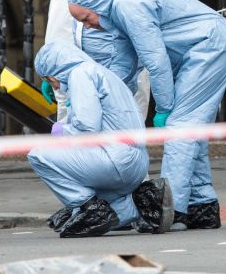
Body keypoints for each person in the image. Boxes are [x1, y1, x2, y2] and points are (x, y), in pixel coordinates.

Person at [68, 0, 226, 231]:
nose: (88, 26)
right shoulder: (116, 13)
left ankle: (169, 210)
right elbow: (123, 65)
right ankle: (201, 206)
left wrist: (163, 108)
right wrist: (86, 91)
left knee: (180, 127)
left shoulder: (128, 7)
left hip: (209, 47)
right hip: (205, 46)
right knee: (190, 129)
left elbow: (155, 61)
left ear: (97, 7)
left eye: (86, 18)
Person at [28, 41, 173, 237]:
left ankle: (88, 208)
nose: (55, 87)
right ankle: (145, 204)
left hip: (115, 160)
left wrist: (61, 131)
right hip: (135, 165)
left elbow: (87, 128)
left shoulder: (80, 74)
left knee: (39, 155)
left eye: (50, 81)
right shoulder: (101, 73)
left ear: (53, 72)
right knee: (108, 211)